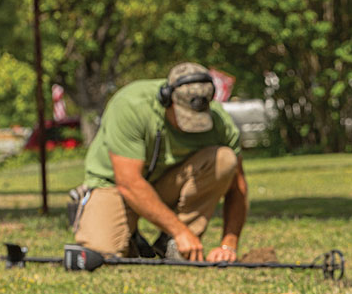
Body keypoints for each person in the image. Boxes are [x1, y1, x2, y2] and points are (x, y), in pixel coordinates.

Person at [72, 62, 249, 262]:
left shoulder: (220, 123)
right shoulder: (131, 106)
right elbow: (129, 183)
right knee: (102, 253)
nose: (191, 125)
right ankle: (130, 235)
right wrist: (179, 230)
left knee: (225, 159)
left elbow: (238, 187)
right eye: (184, 117)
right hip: (115, 185)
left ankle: (172, 246)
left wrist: (229, 244)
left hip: (166, 183)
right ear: (167, 100)